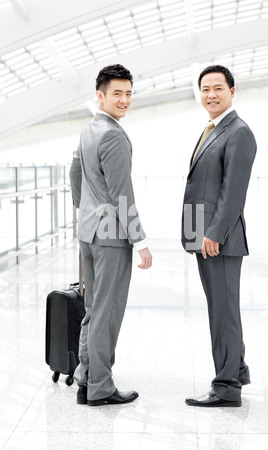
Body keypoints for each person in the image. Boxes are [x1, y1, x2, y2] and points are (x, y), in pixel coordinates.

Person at [69, 64, 152, 407]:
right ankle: (101, 387)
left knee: (93, 308)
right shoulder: (114, 134)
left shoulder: (89, 129)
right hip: (110, 236)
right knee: (107, 311)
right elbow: (121, 194)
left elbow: (75, 171)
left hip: (89, 232)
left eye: (129, 93)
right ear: (100, 96)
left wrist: (86, 207)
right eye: (117, 93)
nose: (124, 100)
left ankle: (85, 379)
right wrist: (141, 241)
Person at [181, 65, 257, 407]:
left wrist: (213, 234)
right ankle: (236, 370)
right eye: (205, 89)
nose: (210, 94)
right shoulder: (213, 128)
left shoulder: (238, 131)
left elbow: (233, 192)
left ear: (232, 91)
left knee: (223, 312)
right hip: (205, 236)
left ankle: (226, 387)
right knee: (223, 308)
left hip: (219, 241)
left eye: (217, 88)